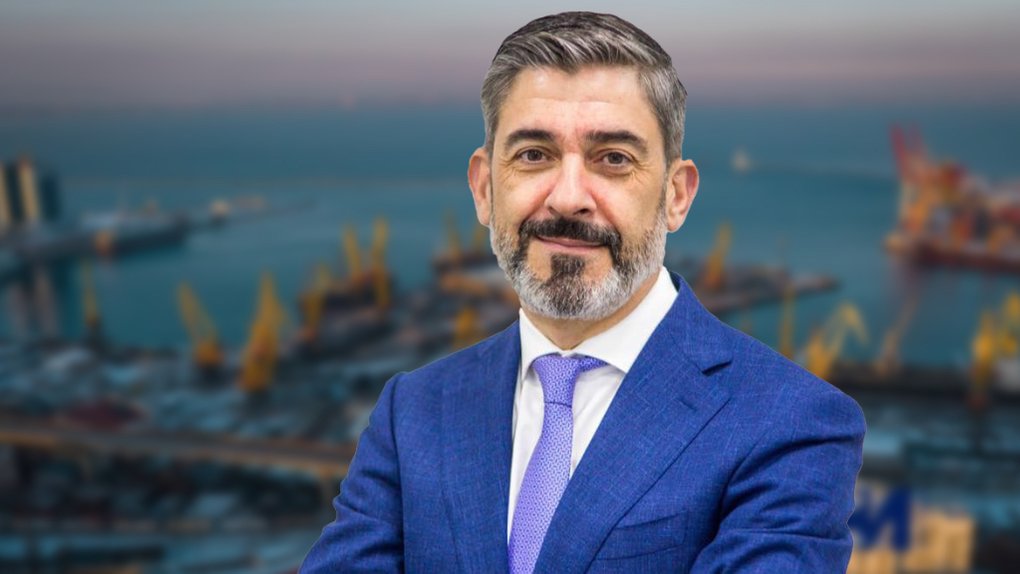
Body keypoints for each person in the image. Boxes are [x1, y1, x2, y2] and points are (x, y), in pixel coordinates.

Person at [301, 11, 865, 573]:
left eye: (614, 159)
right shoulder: (412, 412)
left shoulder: (793, 424)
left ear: (676, 196)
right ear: (484, 188)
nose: (569, 198)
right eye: (534, 155)